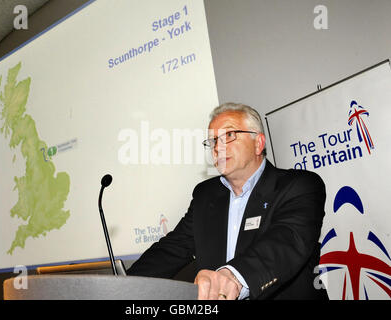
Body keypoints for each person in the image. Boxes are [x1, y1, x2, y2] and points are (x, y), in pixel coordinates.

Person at [127, 103, 327, 300]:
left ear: (258, 143)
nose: (218, 147)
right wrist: (122, 286)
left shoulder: (300, 185)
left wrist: (233, 276)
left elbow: (286, 240)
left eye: (229, 136)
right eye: (213, 141)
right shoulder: (205, 195)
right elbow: (172, 249)